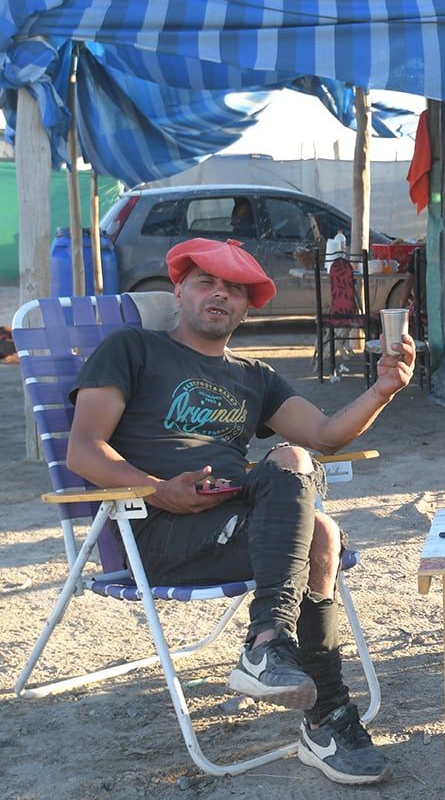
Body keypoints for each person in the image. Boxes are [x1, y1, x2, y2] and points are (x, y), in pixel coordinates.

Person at [66, 237, 416, 785]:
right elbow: (83, 448)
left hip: (239, 528)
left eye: (235, 289)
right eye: (207, 281)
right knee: (314, 523)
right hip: (156, 532)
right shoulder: (133, 349)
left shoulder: (256, 376)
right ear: (178, 290)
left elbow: (324, 435)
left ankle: (294, 682)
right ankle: (300, 681)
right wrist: (155, 487)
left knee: (314, 510)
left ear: (248, 307)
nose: (220, 294)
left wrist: (382, 390)